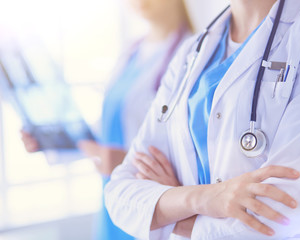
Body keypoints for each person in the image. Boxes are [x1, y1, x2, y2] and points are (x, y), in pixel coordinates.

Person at [104, 0, 300, 239]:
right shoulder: (191, 52)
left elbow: (284, 209)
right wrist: (204, 199)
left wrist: (173, 214)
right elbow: (119, 194)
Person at [20, 0, 193, 239]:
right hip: (114, 195)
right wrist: (53, 139)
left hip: (151, 200)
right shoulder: (132, 51)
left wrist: (127, 160)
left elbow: (190, 149)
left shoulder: (192, 53)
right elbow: (107, 129)